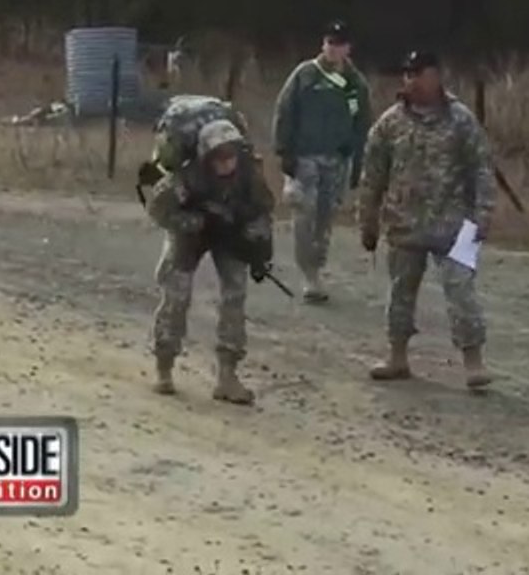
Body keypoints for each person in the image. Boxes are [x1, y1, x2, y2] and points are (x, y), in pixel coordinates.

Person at [356, 50, 497, 390]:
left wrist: (483, 214)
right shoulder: (390, 123)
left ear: (436, 76)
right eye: (407, 73)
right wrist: (368, 221)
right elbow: (372, 176)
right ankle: (397, 357)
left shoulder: (461, 119)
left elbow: (481, 168)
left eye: (419, 73)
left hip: (456, 225)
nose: (411, 80)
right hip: (405, 223)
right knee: (400, 292)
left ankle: (473, 362)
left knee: (462, 290)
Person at [146, 118, 276, 405]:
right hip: (190, 235)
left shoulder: (248, 175)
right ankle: (164, 366)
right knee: (176, 295)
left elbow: (264, 209)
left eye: (232, 155)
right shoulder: (187, 178)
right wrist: (194, 222)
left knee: (235, 294)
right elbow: (158, 210)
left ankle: (228, 375)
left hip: (230, 234)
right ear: (207, 157)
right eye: (220, 157)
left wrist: (257, 244)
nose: (227, 163)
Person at [272, 20, 373, 303]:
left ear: (347, 48)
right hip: (305, 157)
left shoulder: (354, 84)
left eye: (339, 44)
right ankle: (309, 275)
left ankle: (317, 264)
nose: (333, 49)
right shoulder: (306, 75)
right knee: (304, 212)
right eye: (330, 43)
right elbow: (285, 111)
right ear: (323, 44)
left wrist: (358, 162)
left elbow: (361, 122)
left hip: (336, 160)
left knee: (325, 218)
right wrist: (284, 150)